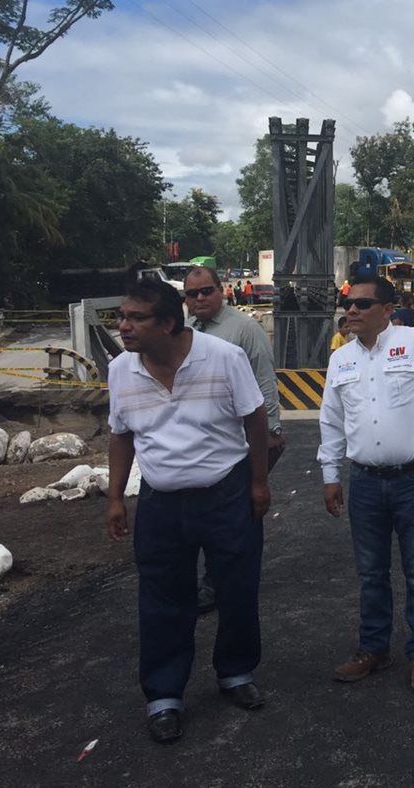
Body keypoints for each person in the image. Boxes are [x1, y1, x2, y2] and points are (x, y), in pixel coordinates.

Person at [105, 275, 271, 745]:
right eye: (122, 317)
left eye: (135, 318)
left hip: (226, 493)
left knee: (237, 589)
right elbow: (121, 434)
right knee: (162, 599)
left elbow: (254, 418)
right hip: (161, 502)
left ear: (169, 324)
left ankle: (236, 673)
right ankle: (164, 696)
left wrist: (258, 483)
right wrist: (117, 497)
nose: (124, 326)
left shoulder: (223, 358)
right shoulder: (121, 370)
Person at [318, 275, 414, 691]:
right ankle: (374, 649)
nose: (351, 311)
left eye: (363, 305)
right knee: (370, 572)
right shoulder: (341, 360)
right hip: (365, 482)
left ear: (387, 311)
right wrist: (331, 475)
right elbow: (331, 421)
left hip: (413, 480)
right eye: (348, 304)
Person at [183, 266, 286, 614]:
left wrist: (272, 431)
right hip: (201, 444)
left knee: (238, 518)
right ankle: (211, 580)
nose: (199, 298)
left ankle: (222, 584)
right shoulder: (184, 330)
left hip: (242, 441)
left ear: (222, 291)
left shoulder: (243, 329)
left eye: (206, 291)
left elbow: (264, 380)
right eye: (192, 293)